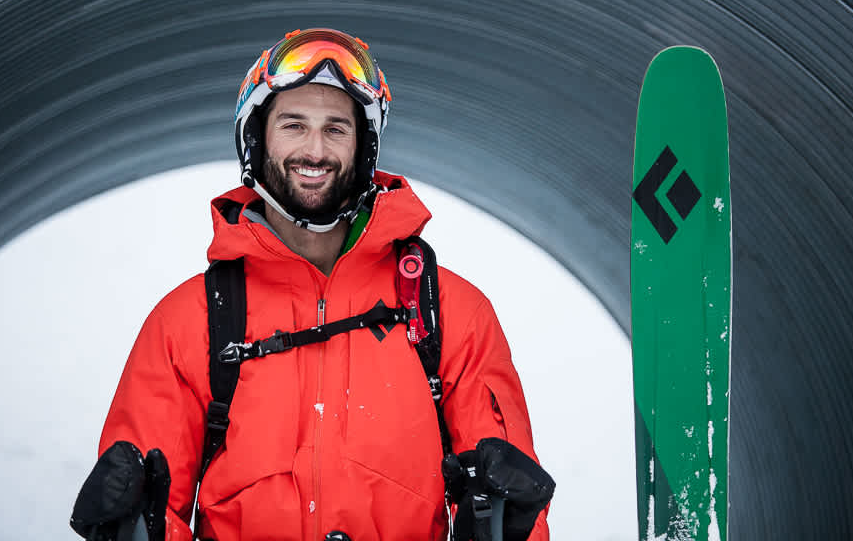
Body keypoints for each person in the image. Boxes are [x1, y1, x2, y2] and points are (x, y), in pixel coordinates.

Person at [70, 28, 553, 541]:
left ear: (365, 146)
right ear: (257, 137)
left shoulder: (450, 312)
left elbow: (512, 506)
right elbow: (152, 510)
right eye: (294, 125)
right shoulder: (189, 320)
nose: (315, 150)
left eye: (336, 129)